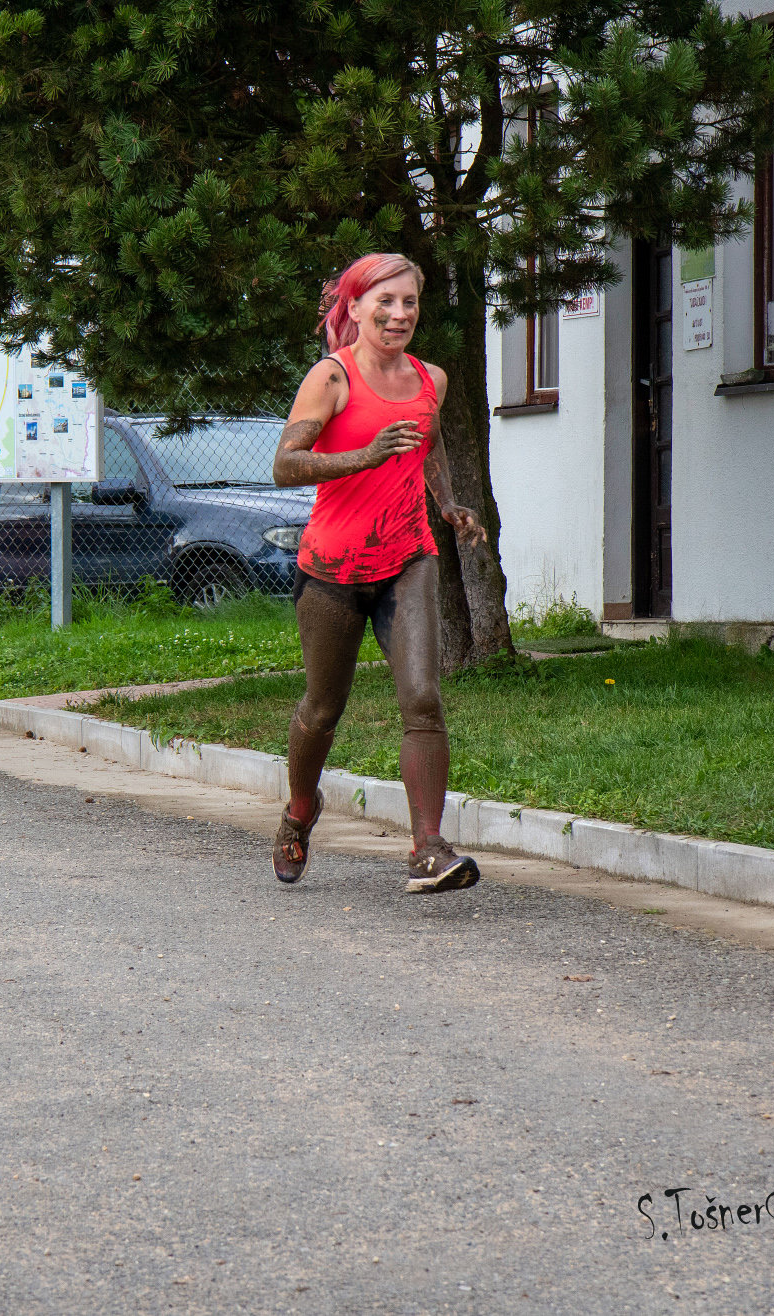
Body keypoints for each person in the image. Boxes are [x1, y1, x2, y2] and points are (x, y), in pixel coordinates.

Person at [268, 253, 490, 895]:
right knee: (322, 709)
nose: (398, 314)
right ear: (356, 308)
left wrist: (447, 504)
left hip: (407, 559)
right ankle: (300, 810)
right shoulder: (331, 378)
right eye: (384, 302)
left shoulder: (430, 379)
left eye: (409, 302)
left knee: (423, 700)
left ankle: (429, 848)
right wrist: (362, 456)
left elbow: (428, 444)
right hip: (333, 568)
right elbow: (285, 465)